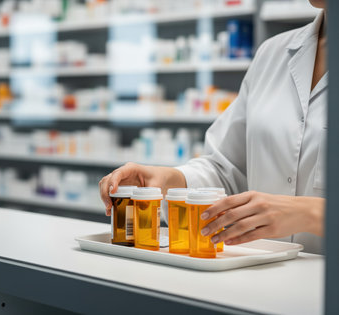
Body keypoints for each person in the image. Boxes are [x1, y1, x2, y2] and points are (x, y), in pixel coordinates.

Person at [99, 0, 327, 254]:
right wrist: (168, 180)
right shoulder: (273, 53)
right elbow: (226, 167)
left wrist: (313, 214)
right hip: (259, 271)